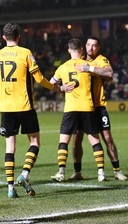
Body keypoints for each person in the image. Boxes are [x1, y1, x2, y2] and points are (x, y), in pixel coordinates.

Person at [0, 23, 64, 198]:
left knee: (10, 146)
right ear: (19, 36)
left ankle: (10, 188)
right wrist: (55, 88)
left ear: (4, 37)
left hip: (6, 107)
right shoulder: (25, 53)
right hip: (25, 105)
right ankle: (24, 174)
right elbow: (39, 78)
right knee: (34, 142)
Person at [69, 36, 127, 181]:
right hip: (81, 107)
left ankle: (116, 170)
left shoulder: (101, 60)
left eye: (94, 45)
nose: (91, 48)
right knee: (77, 140)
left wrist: (90, 68)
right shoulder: (78, 60)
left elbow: (109, 73)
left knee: (107, 138)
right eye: (88, 45)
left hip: (98, 107)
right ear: (85, 46)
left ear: (98, 48)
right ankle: (77, 172)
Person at [49, 38, 105, 182]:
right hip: (87, 107)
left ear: (68, 50)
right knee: (95, 140)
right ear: (81, 50)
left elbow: (50, 84)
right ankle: (101, 173)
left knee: (64, 141)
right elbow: (102, 74)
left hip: (71, 108)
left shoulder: (63, 67)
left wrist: (61, 88)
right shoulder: (88, 65)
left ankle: (61, 172)